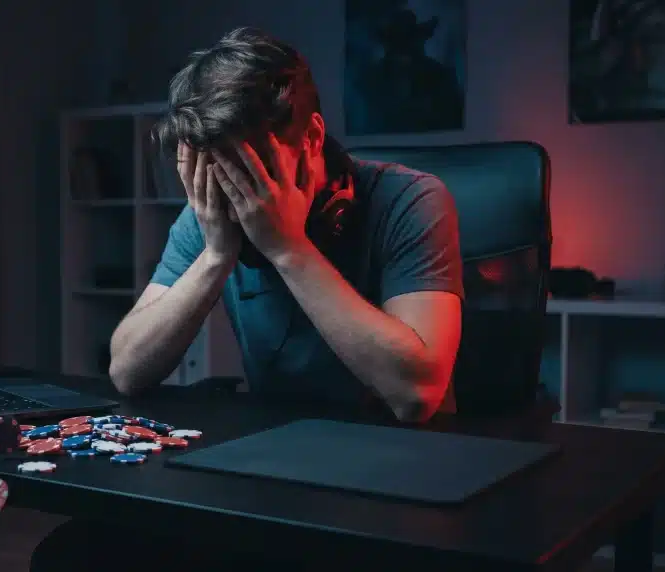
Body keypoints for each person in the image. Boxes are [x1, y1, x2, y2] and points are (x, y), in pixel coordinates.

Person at [30, 26, 463, 571]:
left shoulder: (411, 200)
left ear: (311, 139)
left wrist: (288, 248)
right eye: (214, 173)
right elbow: (128, 369)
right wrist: (215, 255)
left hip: (403, 484)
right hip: (277, 469)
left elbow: (416, 391)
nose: (232, 193)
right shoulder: (211, 213)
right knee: (72, 556)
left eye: (248, 172)